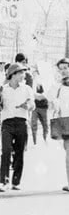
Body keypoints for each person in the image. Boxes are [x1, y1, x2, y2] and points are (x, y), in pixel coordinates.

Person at [0, 63, 35, 192]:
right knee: (6, 151)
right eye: (20, 73)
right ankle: (4, 181)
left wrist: (27, 106)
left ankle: (16, 181)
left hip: (21, 122)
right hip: (7, 122)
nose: (23, 75)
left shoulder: (27, 89)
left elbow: (32, 105)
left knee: (19, 152)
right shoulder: (3, 89)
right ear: (12, 75)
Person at [49, 58, 69, 192]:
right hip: (65, 122)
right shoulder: (58, 86)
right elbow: (50, 100)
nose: (63, 71)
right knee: (68, 153)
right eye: (61, 69)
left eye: (65, 68)